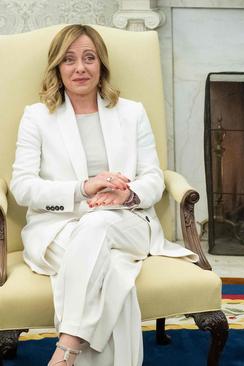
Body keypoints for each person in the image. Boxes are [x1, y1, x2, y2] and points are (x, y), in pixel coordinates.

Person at [10, 25, 198, 366]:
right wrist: (83, 187)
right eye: (69, 59)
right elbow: (23, 187)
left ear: (101, 65)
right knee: (111, 272)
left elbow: (154, 178)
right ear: (57, 67)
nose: (80, 67)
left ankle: (65, 349)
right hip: (58, 230)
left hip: (126, 223)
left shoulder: (131, 112)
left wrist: (126, 196)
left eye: (88, 58)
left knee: (99, 226)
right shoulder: (37, 117)